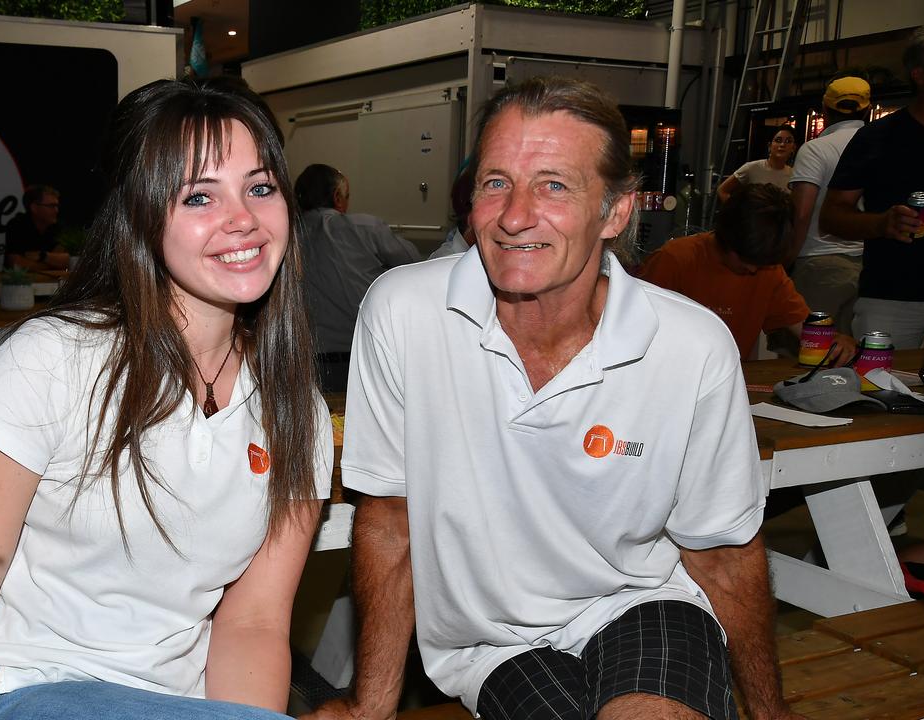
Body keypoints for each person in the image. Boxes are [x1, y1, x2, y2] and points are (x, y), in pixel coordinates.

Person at [307, 77, 801, 720]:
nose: (514, 215)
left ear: (616, 211)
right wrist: (367, 708)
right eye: (495, 182)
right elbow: (389, 522)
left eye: (554, 185)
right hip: (493, 641)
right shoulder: (404, 312)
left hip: (643, 600)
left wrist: (772, 713)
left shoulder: (691, 345)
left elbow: (725, 556)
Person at [0, 78, 333, 720]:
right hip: (27, 686)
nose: (244, 219)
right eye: (199, 196)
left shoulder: (297, 410)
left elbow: (253, 624)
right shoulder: (51, 361)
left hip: (181, 702)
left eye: (260, 188)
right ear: (141, 219)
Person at [639, 183, 855, 363]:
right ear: (726, 238)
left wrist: (836, 340)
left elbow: (805, 328)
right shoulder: (675, 260)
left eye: (760, 264)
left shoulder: (769, 271)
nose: (753, 270)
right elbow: (634, 331)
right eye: (746, 260)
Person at [821, 24, 924, 349]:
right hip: (891, 299)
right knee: (877, 391)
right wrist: (882, 223)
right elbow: (831, 217)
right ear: (920, 75)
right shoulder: (878, 138)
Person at [295, 163, 420, 391]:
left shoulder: (286, 235)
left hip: (304, 363)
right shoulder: (366, 228)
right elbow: (415, 265)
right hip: (364, 358)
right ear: (337, 197)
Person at [786, 76, 871, 334]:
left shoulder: (815, 150)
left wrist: (784, 262)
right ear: (868, 108)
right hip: (870, 267)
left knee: (810, 353)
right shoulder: (883, 146)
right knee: (853, 357)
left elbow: (801, 213)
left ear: (824, 109)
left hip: (818, 266)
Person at [717, 123, 796, 204]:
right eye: (778, 140)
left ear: (793, 148)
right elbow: (722, 190)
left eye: (788, 141)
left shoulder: (794, 175)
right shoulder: (751, 168)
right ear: (769, 146)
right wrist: (738, 213)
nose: (782, 145)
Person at [3, 184, 69, 271]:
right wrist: (51, 263)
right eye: (51, 206)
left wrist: (42, 256)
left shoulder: (58, 227)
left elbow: (67, 260)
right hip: (20, 283)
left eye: (57, 206)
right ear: (34, 207)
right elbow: (16, 264)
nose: (56, 210)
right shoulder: (17, 225)